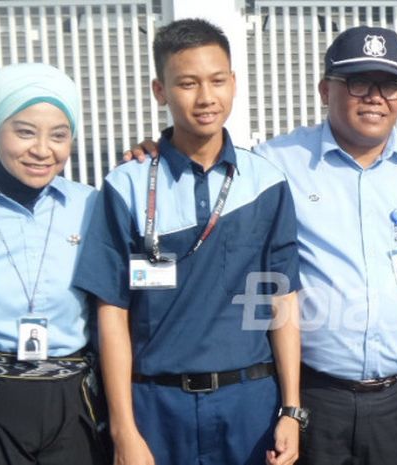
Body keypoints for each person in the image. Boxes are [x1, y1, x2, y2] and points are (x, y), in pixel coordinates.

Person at [124, 25, 397, 465]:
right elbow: (207, 159)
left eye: (389, 84)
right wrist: (157, 150)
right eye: (358, 82)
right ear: (325, 90)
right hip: (315, 393)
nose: (375, 97)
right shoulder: (276, 163)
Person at [72, 19, 302, 465]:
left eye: (217, 81)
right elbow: (112, 312)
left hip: (249, 405)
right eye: (187, 83)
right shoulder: (128, 185)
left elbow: (283, 301)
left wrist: (291, 410)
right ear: (160, 90)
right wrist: (123, 431)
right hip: (156, 408)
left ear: (234, 83)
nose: (205, 97)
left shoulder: (266, 184)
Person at [0, 62, 105, 464]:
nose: (42, 149)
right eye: (24, 132)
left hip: (72, 396)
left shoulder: (90, 205)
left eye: (59, 136)